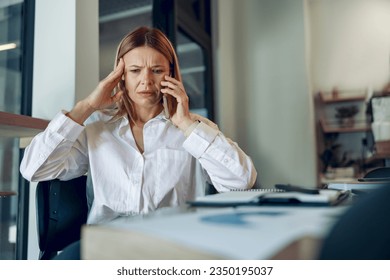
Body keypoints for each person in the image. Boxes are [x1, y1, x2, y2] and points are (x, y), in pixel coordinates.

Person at [20, 26, 257, 258]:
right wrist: (86, 106)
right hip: (106, 247)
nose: (146, 81)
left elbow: (240, 181)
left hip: (170, 247)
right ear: (120, 75)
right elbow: (33, 169)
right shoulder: (96, 127)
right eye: (135, 70)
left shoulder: (194, 129)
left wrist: (185, 125)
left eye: (156, 70)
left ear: (171, 75)